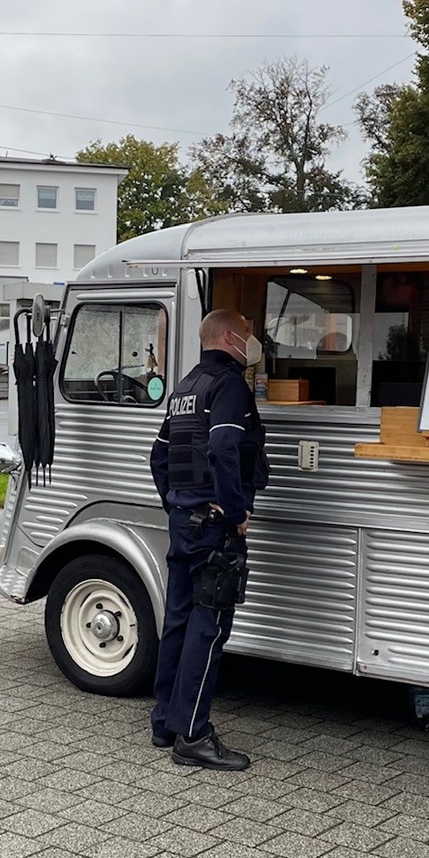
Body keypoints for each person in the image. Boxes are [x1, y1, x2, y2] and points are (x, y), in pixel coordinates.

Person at [149, 308, 269, 770]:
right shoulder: (229, 385)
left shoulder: (185, 387)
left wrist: (176, 504)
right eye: (248, 334)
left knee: (178, 621)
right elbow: (222, 448)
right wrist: (235, 512)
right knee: (210, 626)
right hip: (216, 528)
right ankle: (193, 736)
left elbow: (158, 457)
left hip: (183, 523)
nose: (252, 341)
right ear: (230, 337)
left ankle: (165, 723)